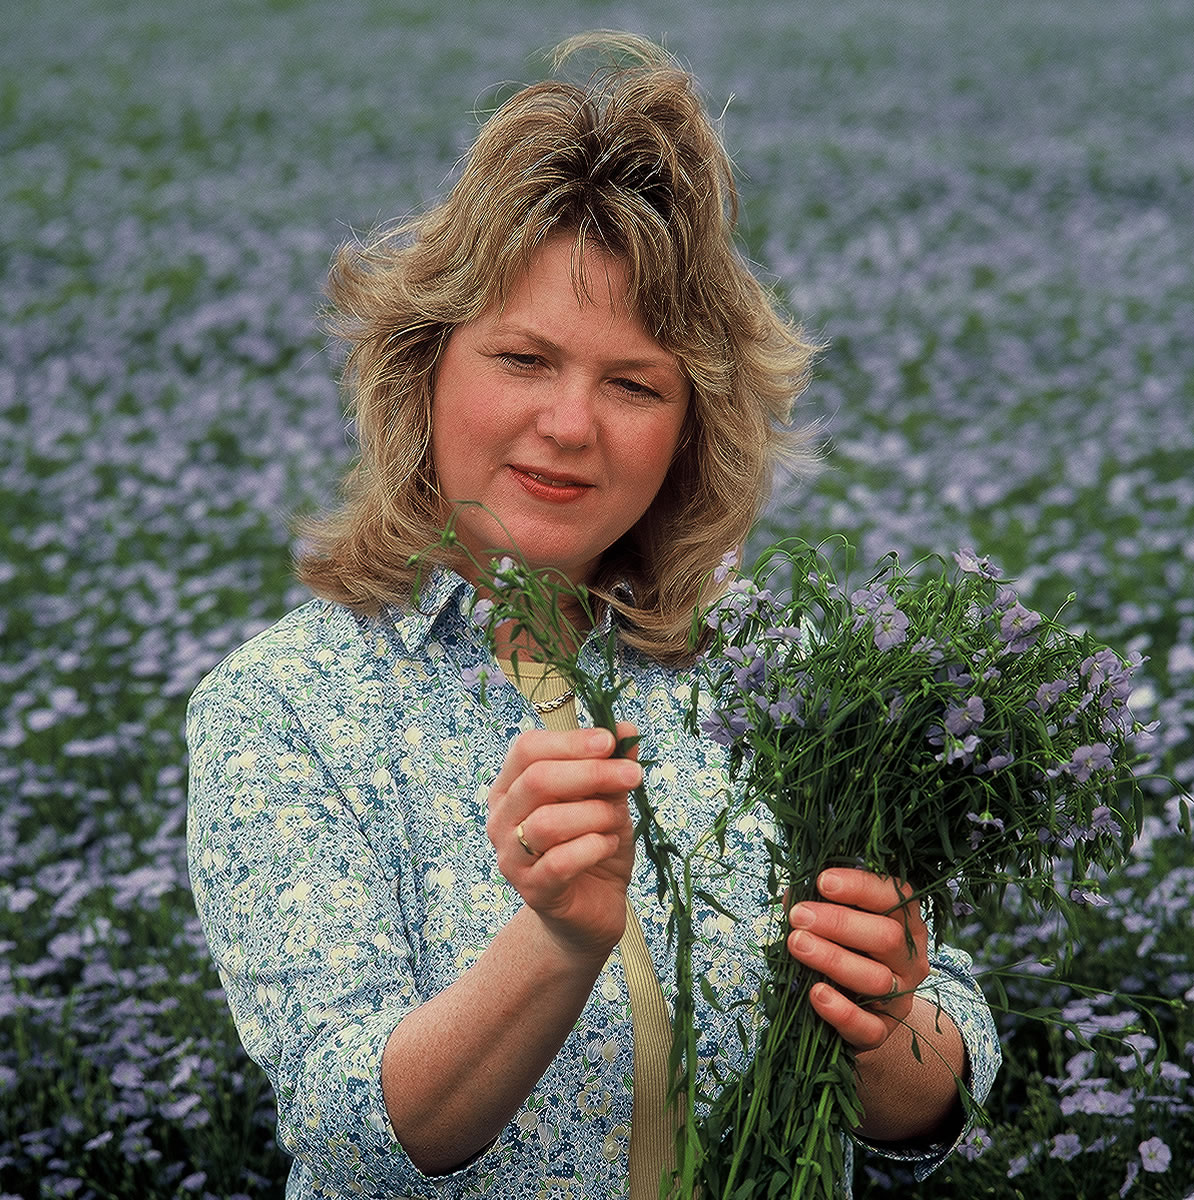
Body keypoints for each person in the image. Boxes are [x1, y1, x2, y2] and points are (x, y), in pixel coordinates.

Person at [186, 32, 999, 1200]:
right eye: (523, 358)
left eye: (633, 384)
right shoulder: (288, 708)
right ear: (424, 370)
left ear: (689, 429)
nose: (572, 426)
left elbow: (941, 1084)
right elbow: (349, 1129)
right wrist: (557, 941)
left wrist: (886, 1024)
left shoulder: (785, 671)